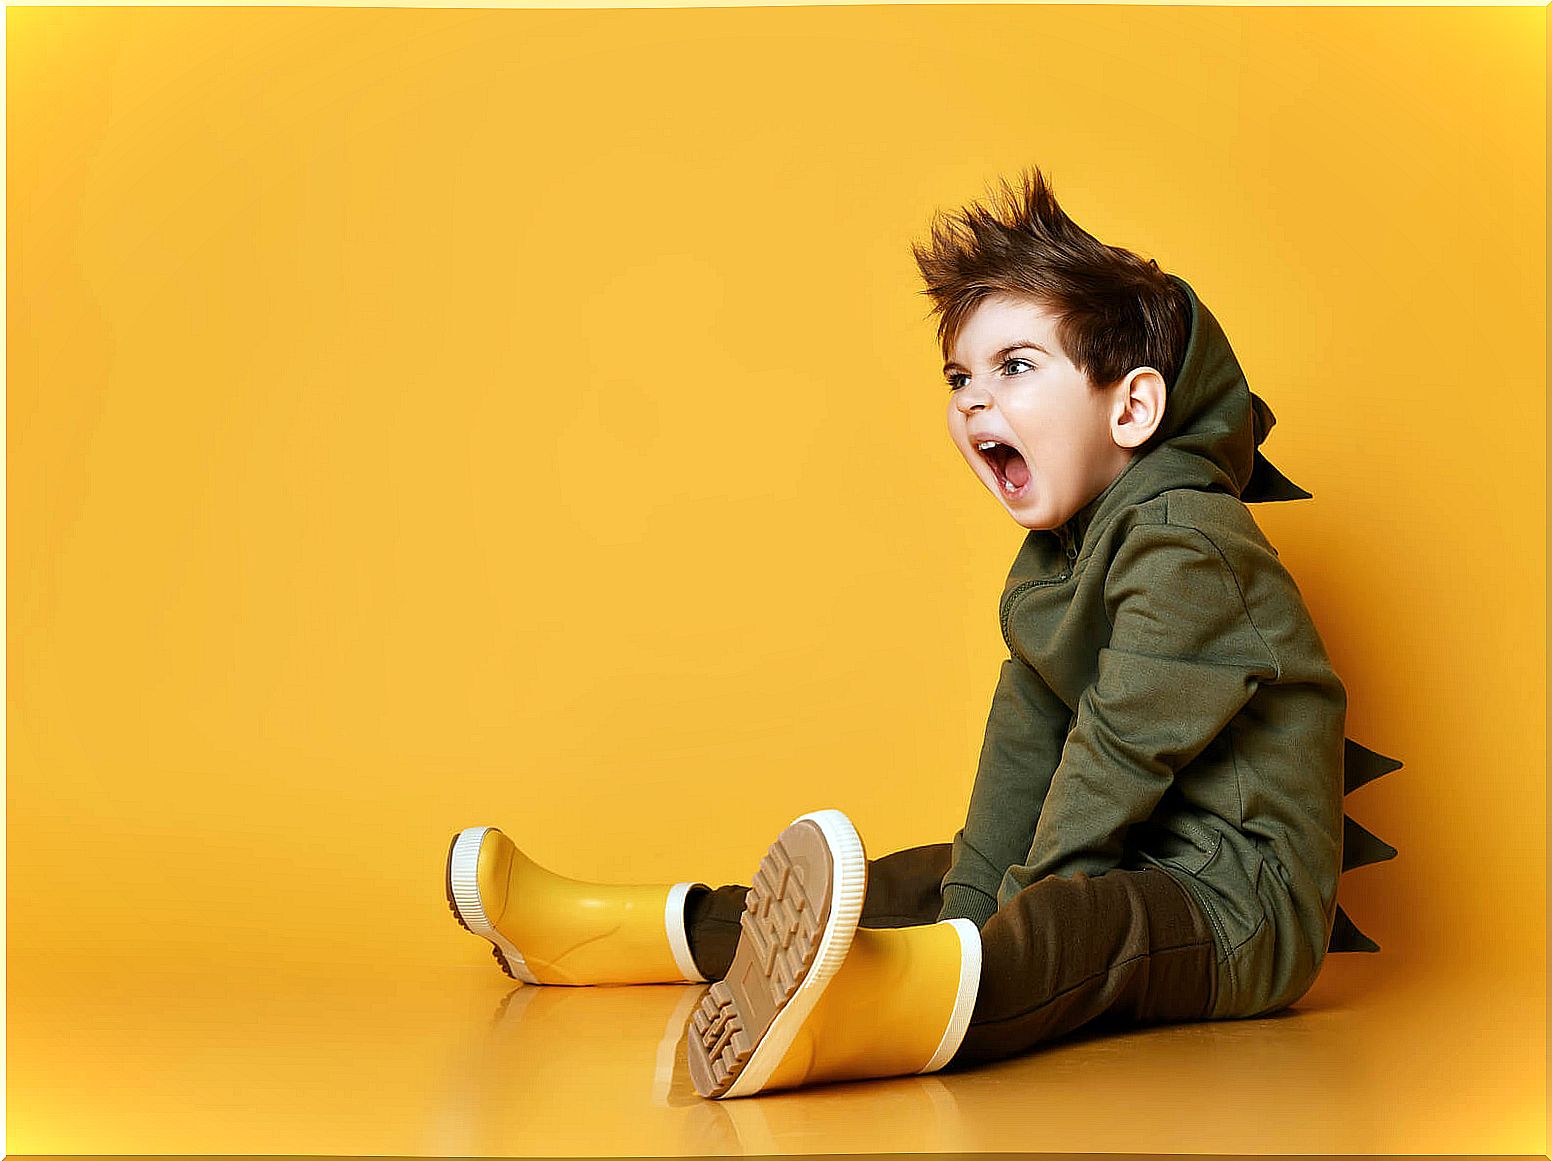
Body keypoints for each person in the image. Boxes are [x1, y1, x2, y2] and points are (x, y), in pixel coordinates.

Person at [444, 165, 1402, 1100]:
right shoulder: (1055, 562)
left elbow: (1115, 759)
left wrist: (1005, 930)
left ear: (1134, 406)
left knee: (1082, 919)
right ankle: (609, 931)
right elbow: (1023, 757)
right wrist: (971, 904)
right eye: (960, 377)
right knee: (916, 881)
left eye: (1016, 366)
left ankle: (876, 1014)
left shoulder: (1193, 543)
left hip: (1235, 908)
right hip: (1142, 853)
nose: (975, 400)